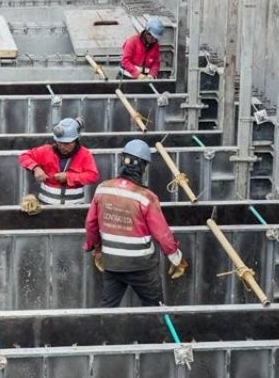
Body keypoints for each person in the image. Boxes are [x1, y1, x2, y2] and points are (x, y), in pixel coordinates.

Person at [83, 139, 187, 307]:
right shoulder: (146, 197)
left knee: (107, 309)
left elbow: (91, 224)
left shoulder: (103, 188)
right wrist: (176, 257)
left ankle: (103, 333)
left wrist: (94, 247)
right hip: (142, 265)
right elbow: (162, 233)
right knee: (155, 309)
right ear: (143, 167)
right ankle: (157, 333)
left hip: (113, 262)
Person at [18, 117, 99, 207]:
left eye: (67, 144)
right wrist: (36, 168)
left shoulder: (85, 154)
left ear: (76, 140)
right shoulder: (46, 151)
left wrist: (69, 177)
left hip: (74, 208)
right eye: (59, 143)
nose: (62, 147)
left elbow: (93, 176)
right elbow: (24, 156)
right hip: (46, 206)